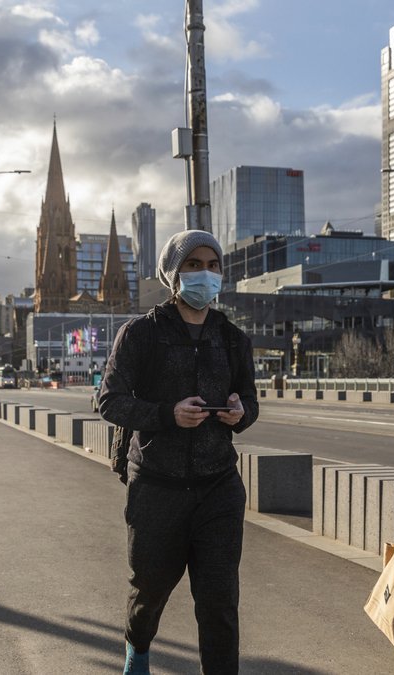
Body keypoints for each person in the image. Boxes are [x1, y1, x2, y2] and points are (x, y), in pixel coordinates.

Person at [98, 229, 258, 675]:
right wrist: (169, 413)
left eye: (213, 265)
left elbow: (250, 402)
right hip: (156, 487)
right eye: (193, 265)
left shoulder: (232, 339)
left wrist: (238, 414)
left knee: (219, 601)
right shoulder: (141, 334)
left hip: (218, 487)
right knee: (149, 590)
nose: (205, 274)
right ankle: (138, 648)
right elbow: (109, 401)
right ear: (173, 274)